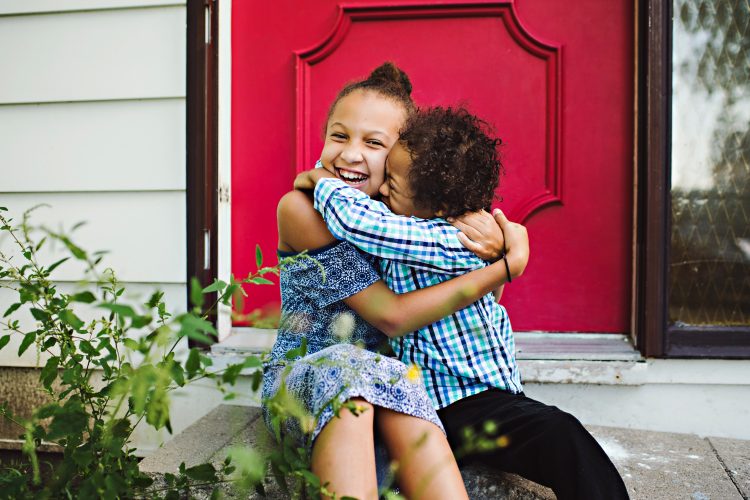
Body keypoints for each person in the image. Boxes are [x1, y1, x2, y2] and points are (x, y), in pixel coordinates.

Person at [301, 106, 630, 500]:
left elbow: (361, 223)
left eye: (392, 181)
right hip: (454, 404)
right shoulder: (424, 224)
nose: (383, 190)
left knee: (562, 434)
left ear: (437, 208)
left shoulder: (446, 240)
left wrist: (320, 179)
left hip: (478, 400)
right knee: (560, 432)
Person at [262, 64, 526, 500]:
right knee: (356, 370)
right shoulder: (303, 210)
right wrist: (506, 267)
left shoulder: (405, 216)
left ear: (405, 157)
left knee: (394, 377)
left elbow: (482, 299)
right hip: (308, 382)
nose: (349, 155)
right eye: (339, 136)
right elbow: (392, 317)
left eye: (373, 143)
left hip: (389, 384)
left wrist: (500, 239)